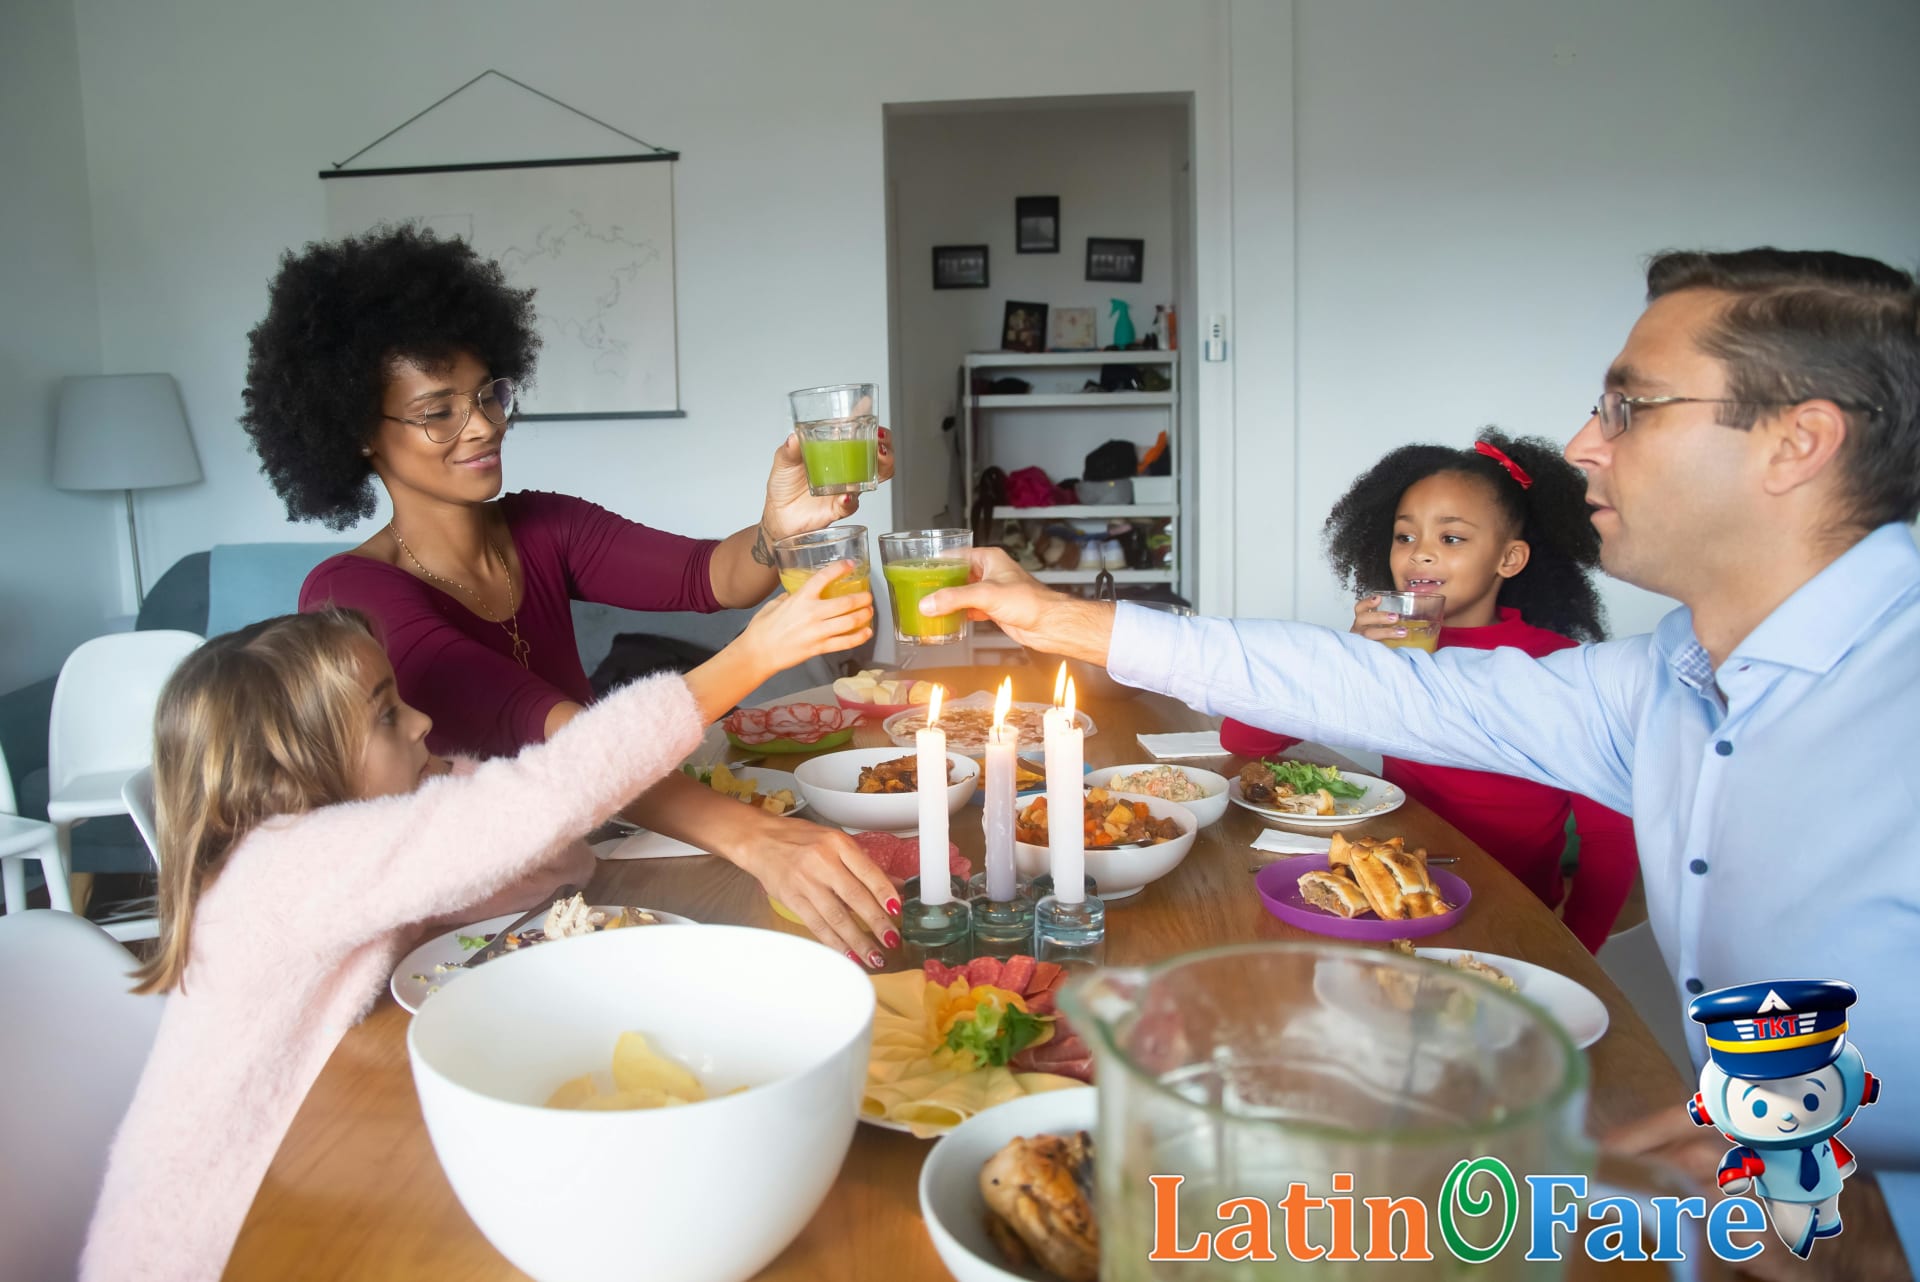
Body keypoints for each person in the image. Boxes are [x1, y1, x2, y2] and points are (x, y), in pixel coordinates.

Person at [921, 249, 1920, 1280]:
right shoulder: (1664, 678)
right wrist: (1058, 618)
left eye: (1632, 407)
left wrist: (1895, 1226)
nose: (1586, 444)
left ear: (1798, 441)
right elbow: (1382, 689)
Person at [80, 567, 871, 1282]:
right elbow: (543, 800)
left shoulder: (349, 851)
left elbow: (555, 862)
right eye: (387, 716)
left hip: (305, 1175)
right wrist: (747, 659)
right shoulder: (285, 867)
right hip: (210, 1237)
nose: (422, 721)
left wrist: (445, 790)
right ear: (292, 774)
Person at [242, 224, 900, 965]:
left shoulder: (544, 523)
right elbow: (571, 746)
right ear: (359, 431)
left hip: (574, 873)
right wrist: (756, 832)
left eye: (487, 394)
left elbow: (708, 577)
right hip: (452, 935)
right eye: (438, 412)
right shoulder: (353, 595)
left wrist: (778, 527)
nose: (484, 425)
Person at [1221, 430, 1637, 951]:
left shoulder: (1558, 665)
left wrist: (1575, 950)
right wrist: (1346, 659)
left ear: (1509, 559)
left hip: (1507, 916)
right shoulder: (1386, 647)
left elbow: (1610, 836)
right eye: (1404, 536)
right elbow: (1242, 739)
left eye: (1452, 538)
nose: (1419, 555)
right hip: (1395, 901)